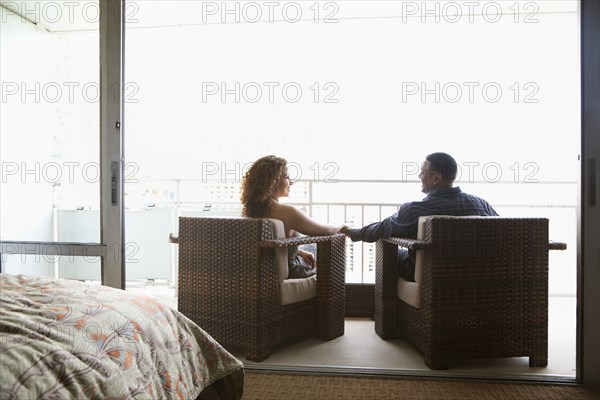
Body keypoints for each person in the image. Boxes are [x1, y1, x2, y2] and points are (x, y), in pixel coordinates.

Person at [340, 152, 498, 282]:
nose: (419, 176)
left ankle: (389, 316)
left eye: (423, 172)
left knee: (391, 254)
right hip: (477, 277)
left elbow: (382, 229)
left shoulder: (417, 210)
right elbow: (502, 231)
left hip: (433, 276)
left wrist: (351, 232)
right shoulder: (481, 205)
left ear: (436, 178)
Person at [240, 155, 347, 278]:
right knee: (316, 246)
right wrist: (342, 225)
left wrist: (300, 252)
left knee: (306, 248)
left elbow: (269, 248)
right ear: (273, 182)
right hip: (291, 271)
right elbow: (324, 231)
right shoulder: (287, 212)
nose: (291, 182)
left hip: (262, 273)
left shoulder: (251, 211)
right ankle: (332, 288)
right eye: (286, 177)